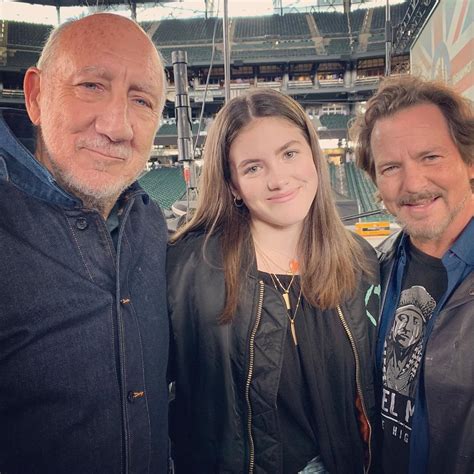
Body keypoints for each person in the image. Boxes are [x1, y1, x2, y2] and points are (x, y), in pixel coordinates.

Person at [167, 89, 380, 473]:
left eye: (289, 153)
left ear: (313, 157)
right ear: (232, 184)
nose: (279, 179)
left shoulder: (360, 261)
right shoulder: (189, 269)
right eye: (253, 167)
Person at [0, 14, 169, 473]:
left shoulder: (151, 223)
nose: (117, 126)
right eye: (91, 85)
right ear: (35, 96)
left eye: (141, 100)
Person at [350, 75, 473, 474]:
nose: (413, 184)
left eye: (431, 157)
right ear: (376, 184)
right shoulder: (372, 272)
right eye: (390, 167)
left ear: (469, 161)